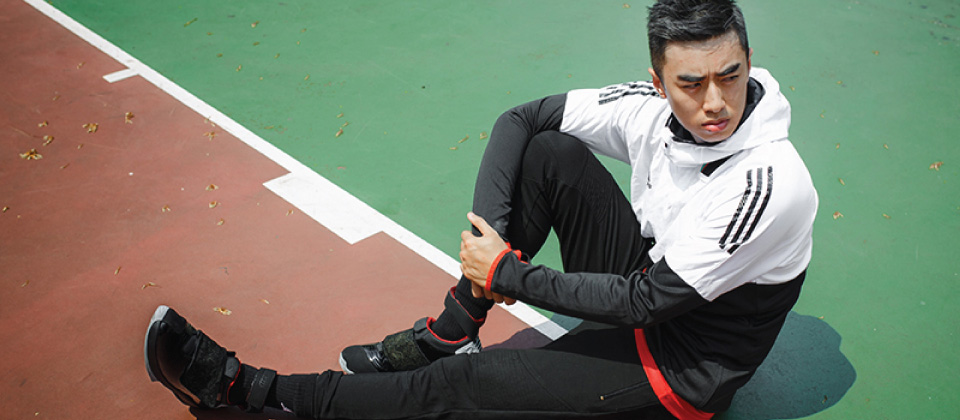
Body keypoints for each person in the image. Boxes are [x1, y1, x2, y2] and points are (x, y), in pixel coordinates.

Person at [144, 0, 818, 418]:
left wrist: (506, 272)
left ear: (748, 61)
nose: (714, 103)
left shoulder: (767, 182)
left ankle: (245, 391)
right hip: (647, 282)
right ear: (658, 82)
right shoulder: (649, 111)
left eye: (730, 75)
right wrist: (481, 269)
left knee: (456, 388)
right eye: (691, 84)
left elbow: (647, 303)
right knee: (552, 153)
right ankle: (452, 328)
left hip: (675, 368)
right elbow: (521, 119)